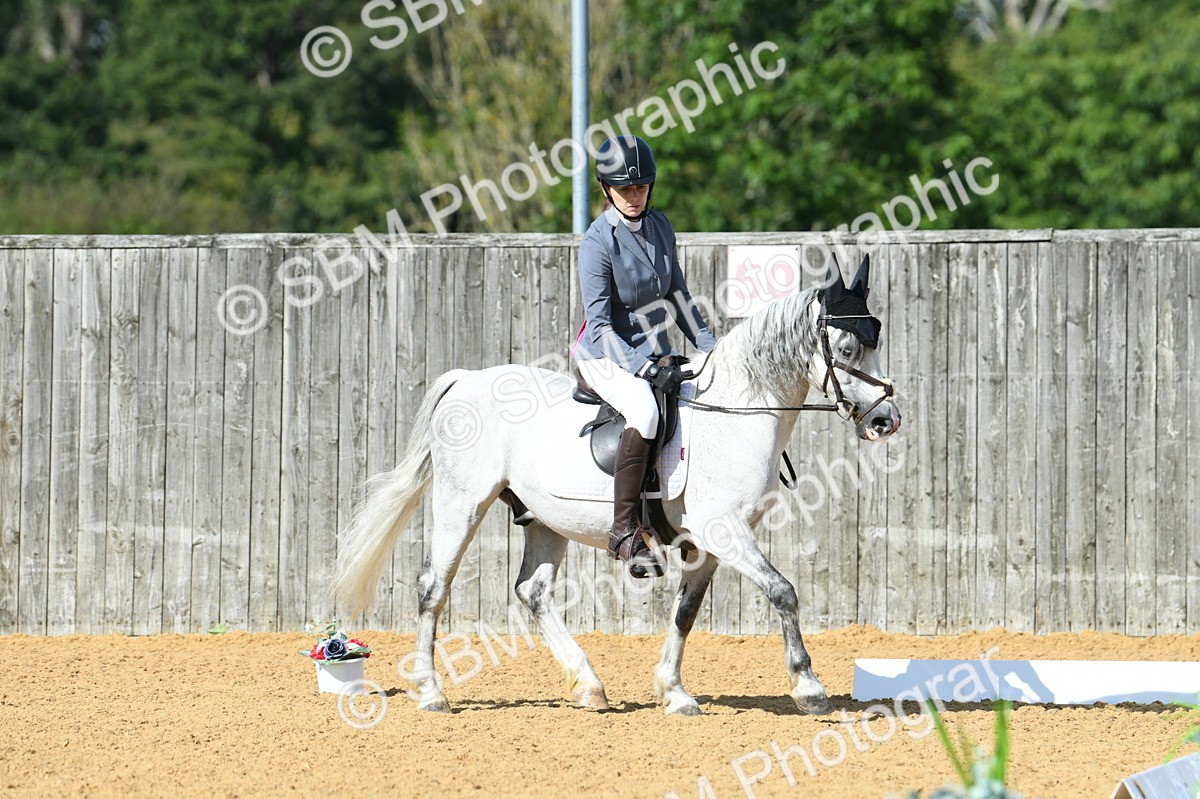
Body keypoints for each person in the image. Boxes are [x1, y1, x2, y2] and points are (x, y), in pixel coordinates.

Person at [570, 135, 718, 578]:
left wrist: (710, 347)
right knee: (646, 412)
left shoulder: (660, 227)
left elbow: (678, 295)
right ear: (606, 188)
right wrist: (646, 368)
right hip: (605, 354)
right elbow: (600, 325)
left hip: (655, 349)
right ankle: (623, 531)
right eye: (624, 189)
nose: (634, 196)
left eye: (640, 187)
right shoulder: (598, 242)